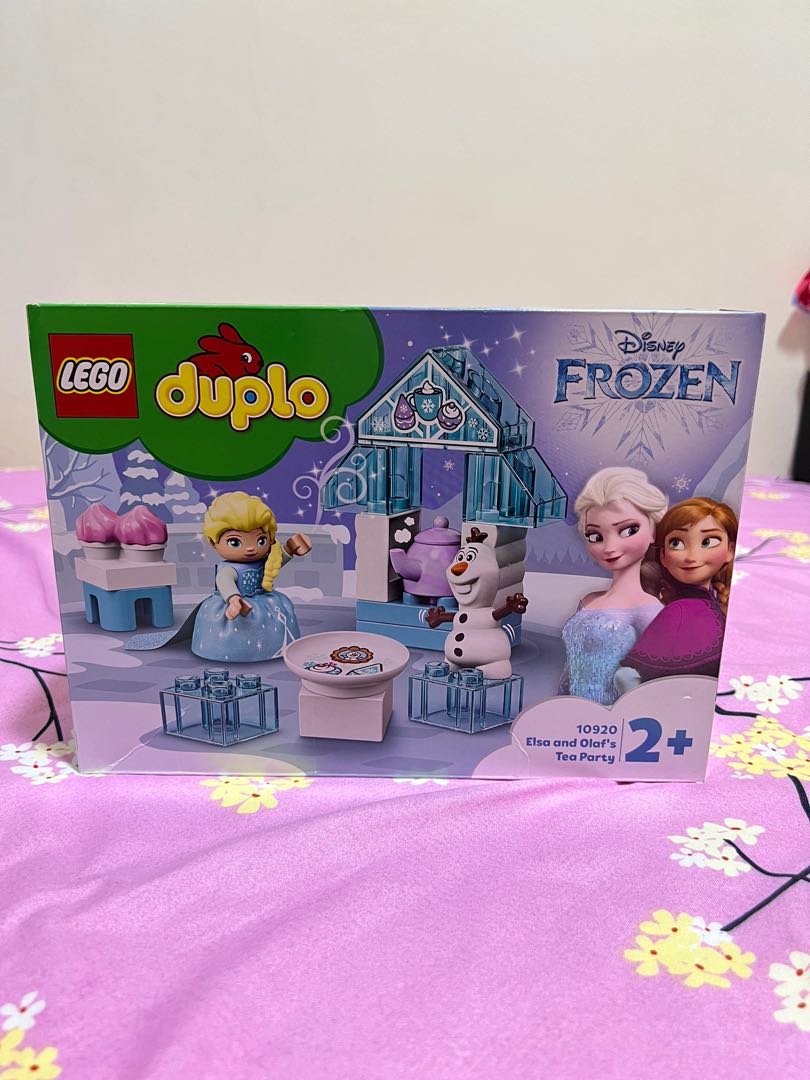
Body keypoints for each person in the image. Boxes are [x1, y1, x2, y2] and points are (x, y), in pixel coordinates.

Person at [560, 467, 667, 705]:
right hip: (571, 712)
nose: (609, 547)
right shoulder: (588, 601)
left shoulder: (649, 609)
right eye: (595, 536)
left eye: (628, 530)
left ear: (653, 531)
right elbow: (570, 669)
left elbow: (654, 679)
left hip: (614, 717)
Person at [614, 497, 737, 693]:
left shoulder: (717, 605)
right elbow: (626, 676)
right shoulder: (678, 611)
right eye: (676, 543)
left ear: (730, 550)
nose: (691, 557)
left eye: (708, 542)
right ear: (663, 556)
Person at [191, 492, 311, 662]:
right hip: (236, 603)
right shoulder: (228, 569)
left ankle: (275, 647)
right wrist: (233, 598)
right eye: (235, 542)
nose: (250, 548)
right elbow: (224, 581)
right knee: (238, 624)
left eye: (260, 540)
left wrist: (290, 549)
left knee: (276, 615)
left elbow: (275, 563)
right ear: (212, 542)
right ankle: (233, 652)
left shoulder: (264, 560)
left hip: (264, 600)